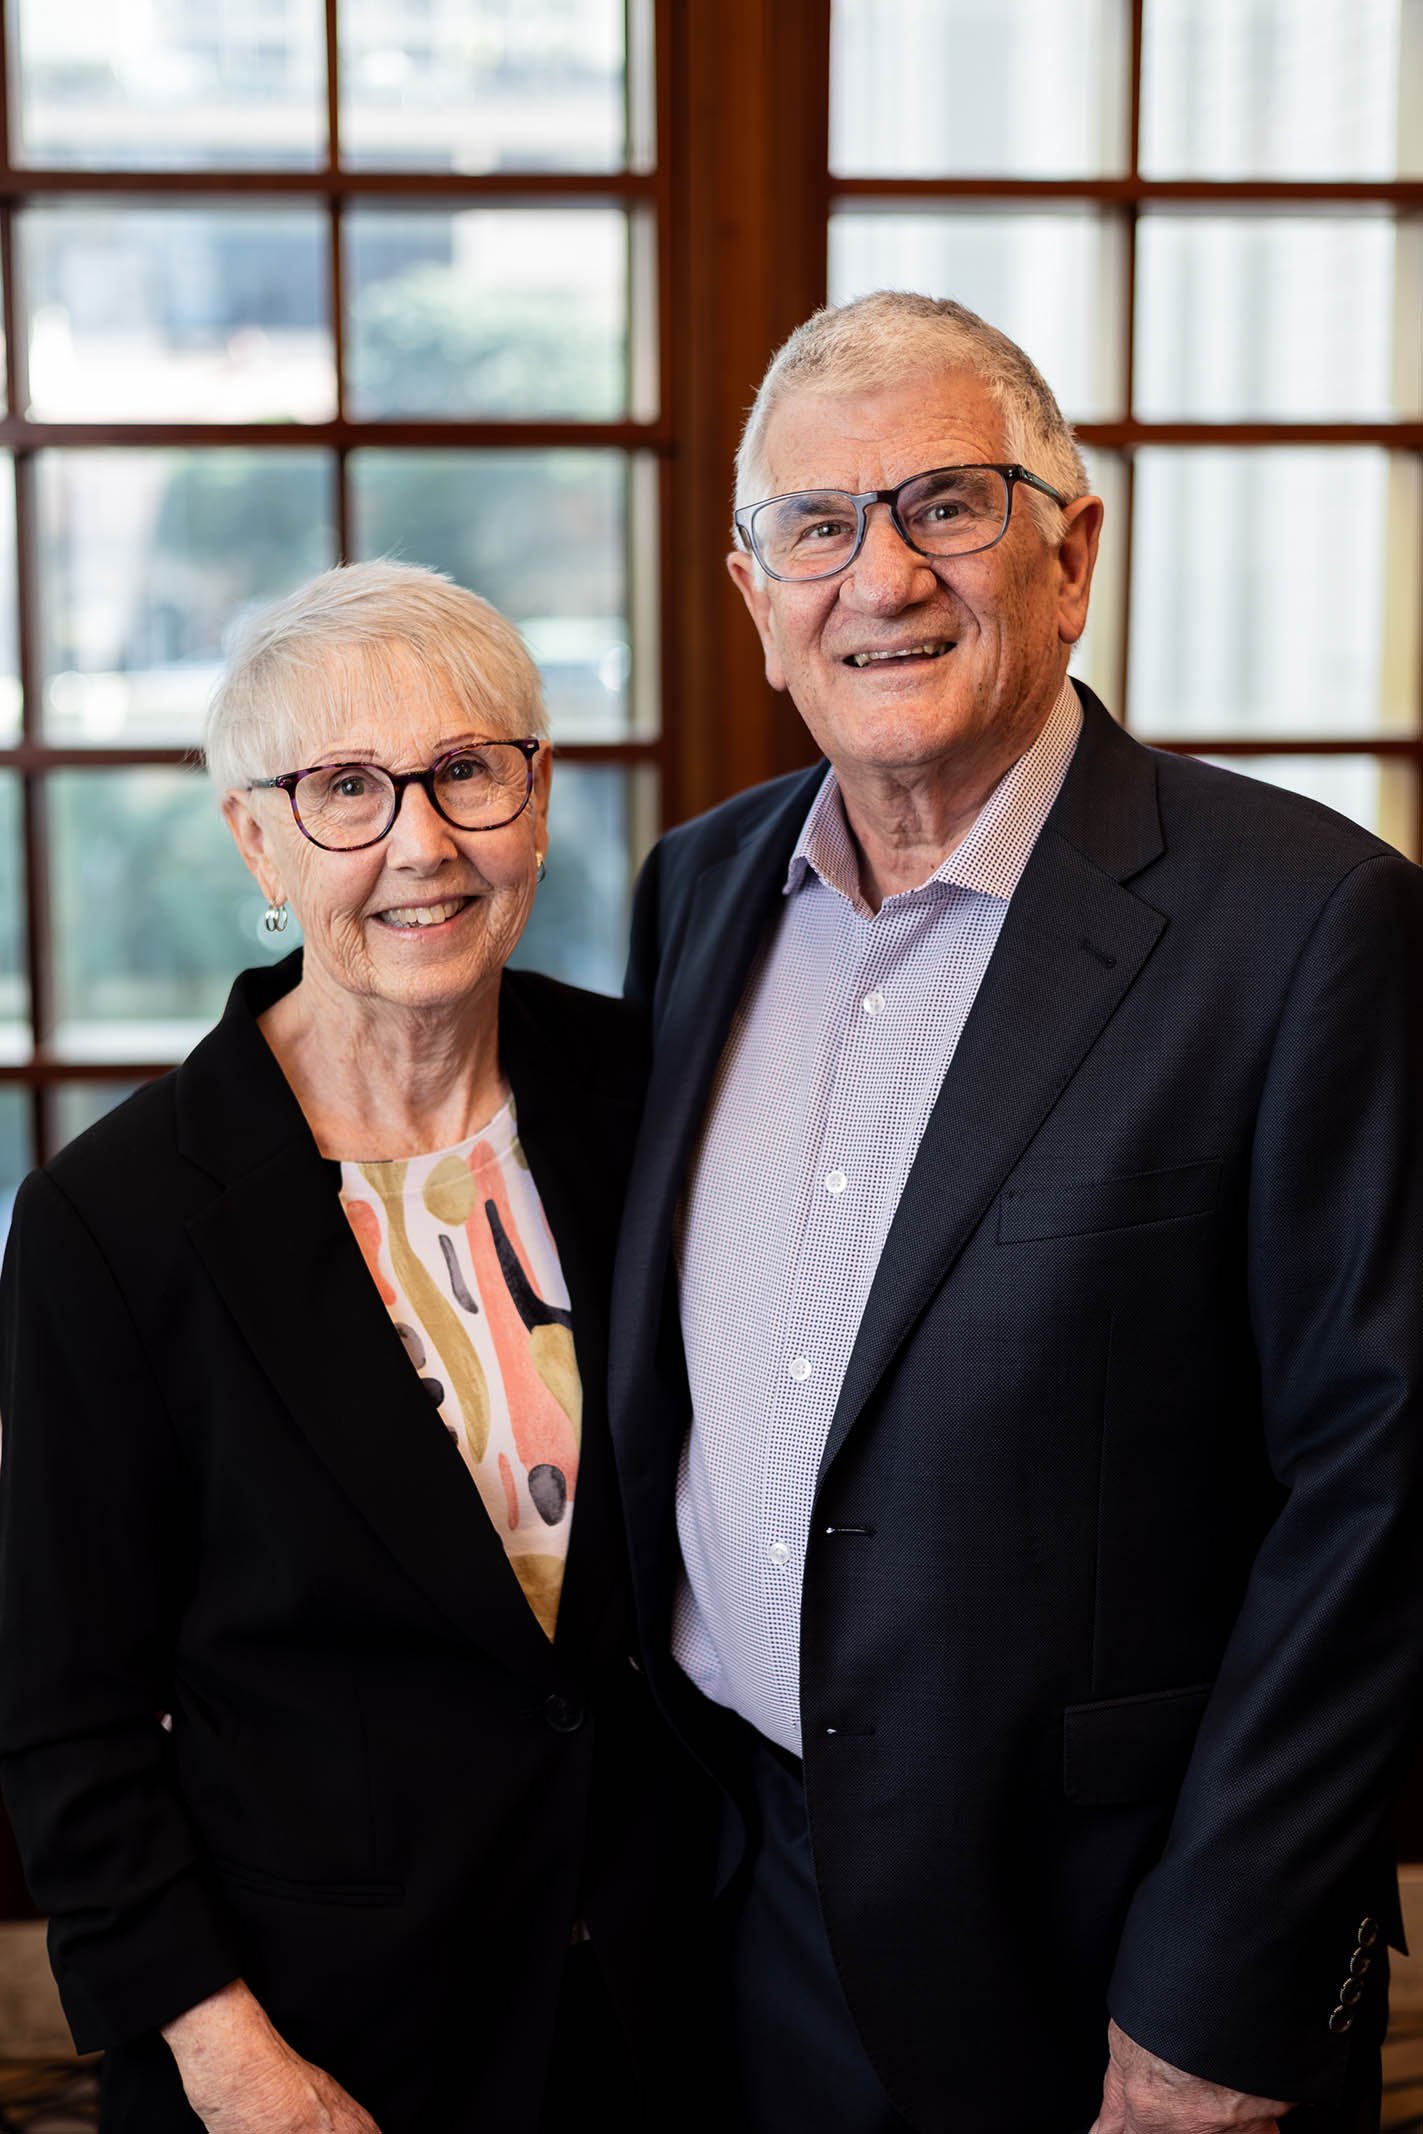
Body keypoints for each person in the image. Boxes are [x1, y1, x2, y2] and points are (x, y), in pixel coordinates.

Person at [608, 292, 1423, 2134]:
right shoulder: (696, 893)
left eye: (946, 503)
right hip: (737, 1895)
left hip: (1106, 1954)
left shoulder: (1304, 930)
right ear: (757, 601)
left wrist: (1222, 1985)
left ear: (1073, 554)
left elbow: (1381, 1490)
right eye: (816, 527)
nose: (878, 573)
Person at [0, 561, 704, 2134]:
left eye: (468, 769)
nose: (423, 842)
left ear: (537, 793)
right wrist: (229, 2057)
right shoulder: (112, 1220)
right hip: (316, 2050)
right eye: (344, 789)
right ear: (256, 836)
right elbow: (68, 1719)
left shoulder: (648, 1090)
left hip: (663, 2012)